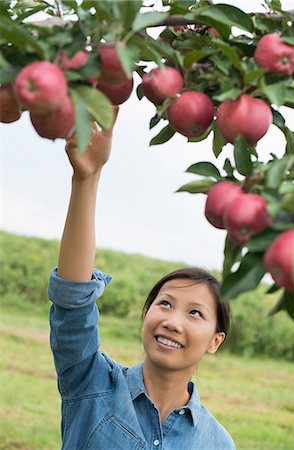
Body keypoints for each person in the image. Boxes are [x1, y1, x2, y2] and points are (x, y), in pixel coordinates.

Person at [48, 110, 236, 450]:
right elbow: (72, 301)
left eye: (195, 313)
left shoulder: (217, 443)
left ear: (215, 341)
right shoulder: (91, 383)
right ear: (147, 315)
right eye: (164, 304)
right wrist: (86, 179)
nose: (172, 322)